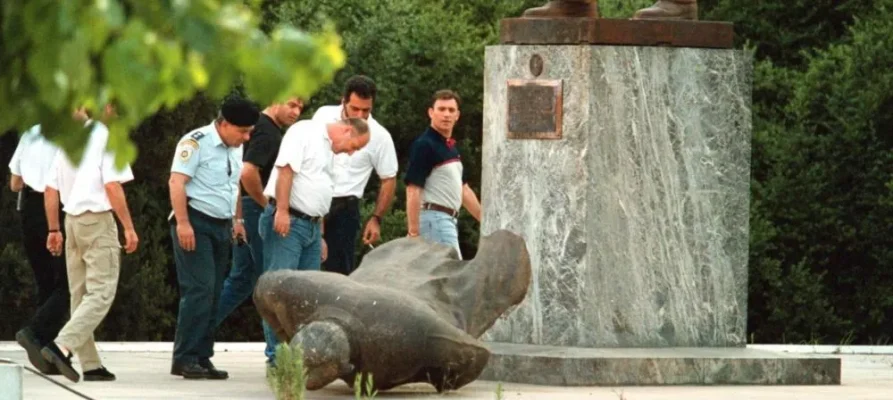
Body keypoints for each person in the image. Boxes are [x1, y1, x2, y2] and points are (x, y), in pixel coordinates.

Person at [258, 116, 371, 365]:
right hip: (291, 220)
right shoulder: (305, 131)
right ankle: (277, 358)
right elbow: (286, 171)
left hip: (311, 226)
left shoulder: (330, 151)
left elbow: (321, 189)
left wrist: (320, 235)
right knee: (279, 289)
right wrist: (283, 211)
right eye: (353, 146)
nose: (350, 153)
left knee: (308, 295)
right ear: (346, 130)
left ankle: (299, 355)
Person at [39, 105, 139, 383]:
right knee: (101, 293)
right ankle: (62, 346)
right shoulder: (103, 135)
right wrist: (128, 227)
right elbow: (112, 185)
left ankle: (91, 364)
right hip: (96, 221)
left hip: (71, 221)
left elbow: (50, 189)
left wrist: (54, 229)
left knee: (80, 295)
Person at [168, 97, 259, 380]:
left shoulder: (235, 145)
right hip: (195, 221)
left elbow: (233, 186)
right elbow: (176, 182)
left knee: (215, 291)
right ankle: (184, 357)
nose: (246, 137)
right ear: (224, 123)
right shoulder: (195, 143)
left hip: (222, 225)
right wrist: (183, 223)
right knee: (200, 289)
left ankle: (202, 356)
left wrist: (238, 220)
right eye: (242, 131)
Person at [215, 97, 303, 327]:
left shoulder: (261, 126)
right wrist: (268, 205)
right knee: (272, 281)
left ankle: (197, 332)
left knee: (242, 279)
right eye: (292, 105)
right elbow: (247, 172)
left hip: (244, 207)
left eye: (301, 107)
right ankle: (276, 350)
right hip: (255, 208)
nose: (296, 112)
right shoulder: (267, 132)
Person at [311, 75, 398, 276]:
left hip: (344, 207)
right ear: (343, 101)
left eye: (366, 110)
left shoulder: (380, 136)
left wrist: (377, 218)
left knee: (339, 273)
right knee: (307, 267)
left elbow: (388, 178)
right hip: (312, 200)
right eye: (355, 108)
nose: (360, 115)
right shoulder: (323, 116)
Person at [9, 124, 68, 376]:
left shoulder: (30, 132)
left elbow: (15, 182)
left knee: (44, 281)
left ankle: (45, 351)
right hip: (55, 208)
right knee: (68, 282)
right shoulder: (71, 133)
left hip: (29, 208)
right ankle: (36, 333)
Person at [403, 90, 482, 259]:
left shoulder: (450, 148)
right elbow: (413, 189)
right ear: (431, 112)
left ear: (458, 115)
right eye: (441, 109)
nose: (446, 114)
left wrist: (484, 219)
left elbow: (464, 190)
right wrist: (413, 232)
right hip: (434, 220)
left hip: (446, 220)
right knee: (451, 277)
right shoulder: (425, 145)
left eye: (451, 110)